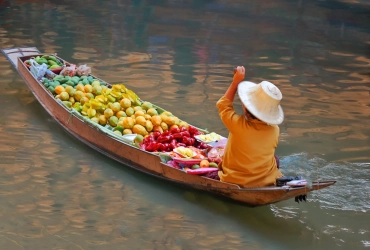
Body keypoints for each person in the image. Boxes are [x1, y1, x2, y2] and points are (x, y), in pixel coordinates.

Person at [212, 66, 284, 187]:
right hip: (266, 178)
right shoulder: (275, 129)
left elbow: (224, 105)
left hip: (235, 180)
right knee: (275, 159)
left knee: (208, 174)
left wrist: (235, 82)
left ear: (246, 107)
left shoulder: (238, 125)